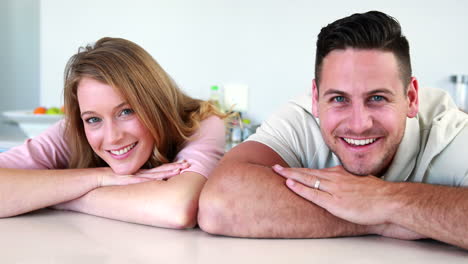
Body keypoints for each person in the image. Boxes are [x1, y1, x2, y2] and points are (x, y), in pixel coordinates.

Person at [198, 11, 468, 249]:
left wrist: (386, 199)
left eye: (378, 98)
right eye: (339, 99)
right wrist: (380, 218)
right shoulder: (300, 118)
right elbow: (219, 203)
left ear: (411, 98)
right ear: (316, 99)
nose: (359, 124)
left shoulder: (449, 131)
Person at [0, 37, 226, 229]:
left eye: (126, 112)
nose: (111, 137)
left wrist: (55, 197)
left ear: (155, 104)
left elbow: (177, 208)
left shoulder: (200, 123)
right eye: (94, 119)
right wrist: (98, 177)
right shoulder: (73, 132)